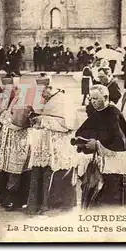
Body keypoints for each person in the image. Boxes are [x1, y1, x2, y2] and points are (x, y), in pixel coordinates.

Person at [75, 85, 126, 209]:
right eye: (91, 98)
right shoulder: (96, 113)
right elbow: (82, 131)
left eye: (96, 98)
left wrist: (97, 144)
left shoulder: (113, 113)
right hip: (100, 161)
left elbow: (120, 142)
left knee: (111, 199)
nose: (93, 101)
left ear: (105, 97)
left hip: (113, 163)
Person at [26, 82, 80, 214]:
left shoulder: (63, 100)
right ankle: (40, 205)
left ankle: (53, 206)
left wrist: (43, 120)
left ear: (50, 88)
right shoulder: (51, 99)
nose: (41, 95)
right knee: (42, 171)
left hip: (58, 144)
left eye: (42, 91)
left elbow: (67, 124)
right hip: (46, 143)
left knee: (54, 171)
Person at [0, 84, 32, 211]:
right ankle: (4, 197)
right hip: (6, 142)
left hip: (18, 142)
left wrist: (4, 119)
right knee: (4, 170)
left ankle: (13, 199)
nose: (5, 91)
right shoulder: (7, 101)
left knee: (16, 171)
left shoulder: (23, 101)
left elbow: (18, 123)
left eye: (9, 89)